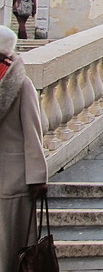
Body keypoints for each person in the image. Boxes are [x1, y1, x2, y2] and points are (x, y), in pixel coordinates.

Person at [0, 26, 48, 272]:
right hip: (15, 178)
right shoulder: (20, 83)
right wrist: (38, 176)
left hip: (10, 181)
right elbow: (32, 131)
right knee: (15, 247)